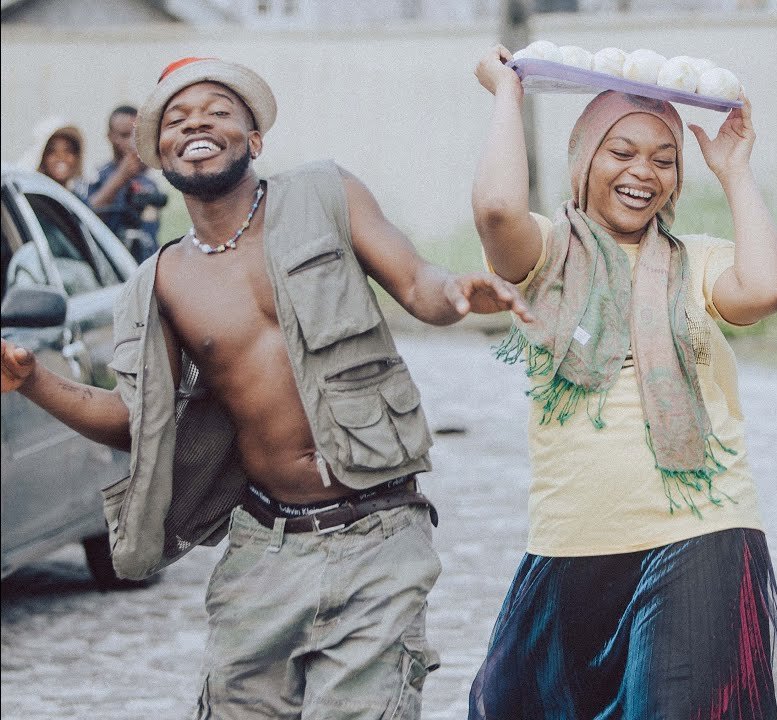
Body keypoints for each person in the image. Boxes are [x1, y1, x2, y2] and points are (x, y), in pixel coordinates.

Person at [1, 57, 531, 720]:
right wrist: (33, 381)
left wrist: (456, 292)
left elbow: (418, 283)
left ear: (253, 139)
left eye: (217, 112)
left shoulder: (326, 194)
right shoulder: (160, 282)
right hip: (263, 549)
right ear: (160, 156)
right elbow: (135, 421)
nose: (195, 124)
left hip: (381, 528)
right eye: (176, 120)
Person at [468, 46, 777, 719]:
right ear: (583, 162)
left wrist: (735, 171)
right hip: (572, 539)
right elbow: (498, 212)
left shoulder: (698, 261)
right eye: (621, 152)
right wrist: (507, 95)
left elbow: (770, 287)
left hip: (702, 532)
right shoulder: (546, 255)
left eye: (664, 159)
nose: (642, 173)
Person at [85, 105, 166, 262]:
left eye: (136, 136)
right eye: (124, 135)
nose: (131, 143)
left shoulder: (148, 181)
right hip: (110, 263)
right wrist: (121, 176)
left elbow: (152, 232)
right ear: (110, 136)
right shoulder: (97, 176)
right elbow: (87, 215)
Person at [26, 117, 90, 197]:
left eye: (68, 150)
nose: (61, 157)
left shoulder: (77, 199)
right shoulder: (31, 197)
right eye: (52, 151)